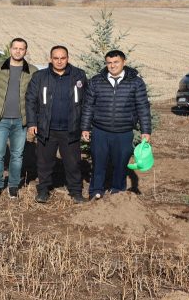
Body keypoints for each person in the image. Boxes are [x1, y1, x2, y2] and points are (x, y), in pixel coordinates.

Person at [81, 50, 152, 200]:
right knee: (98, 162)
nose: (112, 66)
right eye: (109, 63)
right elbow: (88, 106)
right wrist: (85, 127)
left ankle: (118, 193)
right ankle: (96, 191)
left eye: (116, 62)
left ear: (123, 62)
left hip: (124, 132)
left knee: (121, 164)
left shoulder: (135, 82)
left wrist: (146, 130)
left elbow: (142, 107)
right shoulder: (96, 81)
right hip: (100, 130)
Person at [26, 45, 89, 203]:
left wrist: (85, 126)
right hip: (47, 129)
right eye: (56, 58)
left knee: (73, 163)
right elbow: (30, 100)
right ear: (50, 59)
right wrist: (32, 122)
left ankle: (75, 192)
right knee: (44, 163)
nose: (59, 61)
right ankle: (43, 191)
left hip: (71, 129)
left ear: (68, 58)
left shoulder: (78, 75)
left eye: (63, 58)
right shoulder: (40, 76)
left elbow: (86, 102)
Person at [0, 38, 37, 198]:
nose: (18, 51)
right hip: (0, 120)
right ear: (10, 49)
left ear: (26, 51)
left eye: (21, 49)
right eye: (15, 48)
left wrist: (32, 121)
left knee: (17, 155)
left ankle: (13, 185)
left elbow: (34, 98)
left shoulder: (33, 71)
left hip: (20, 121)